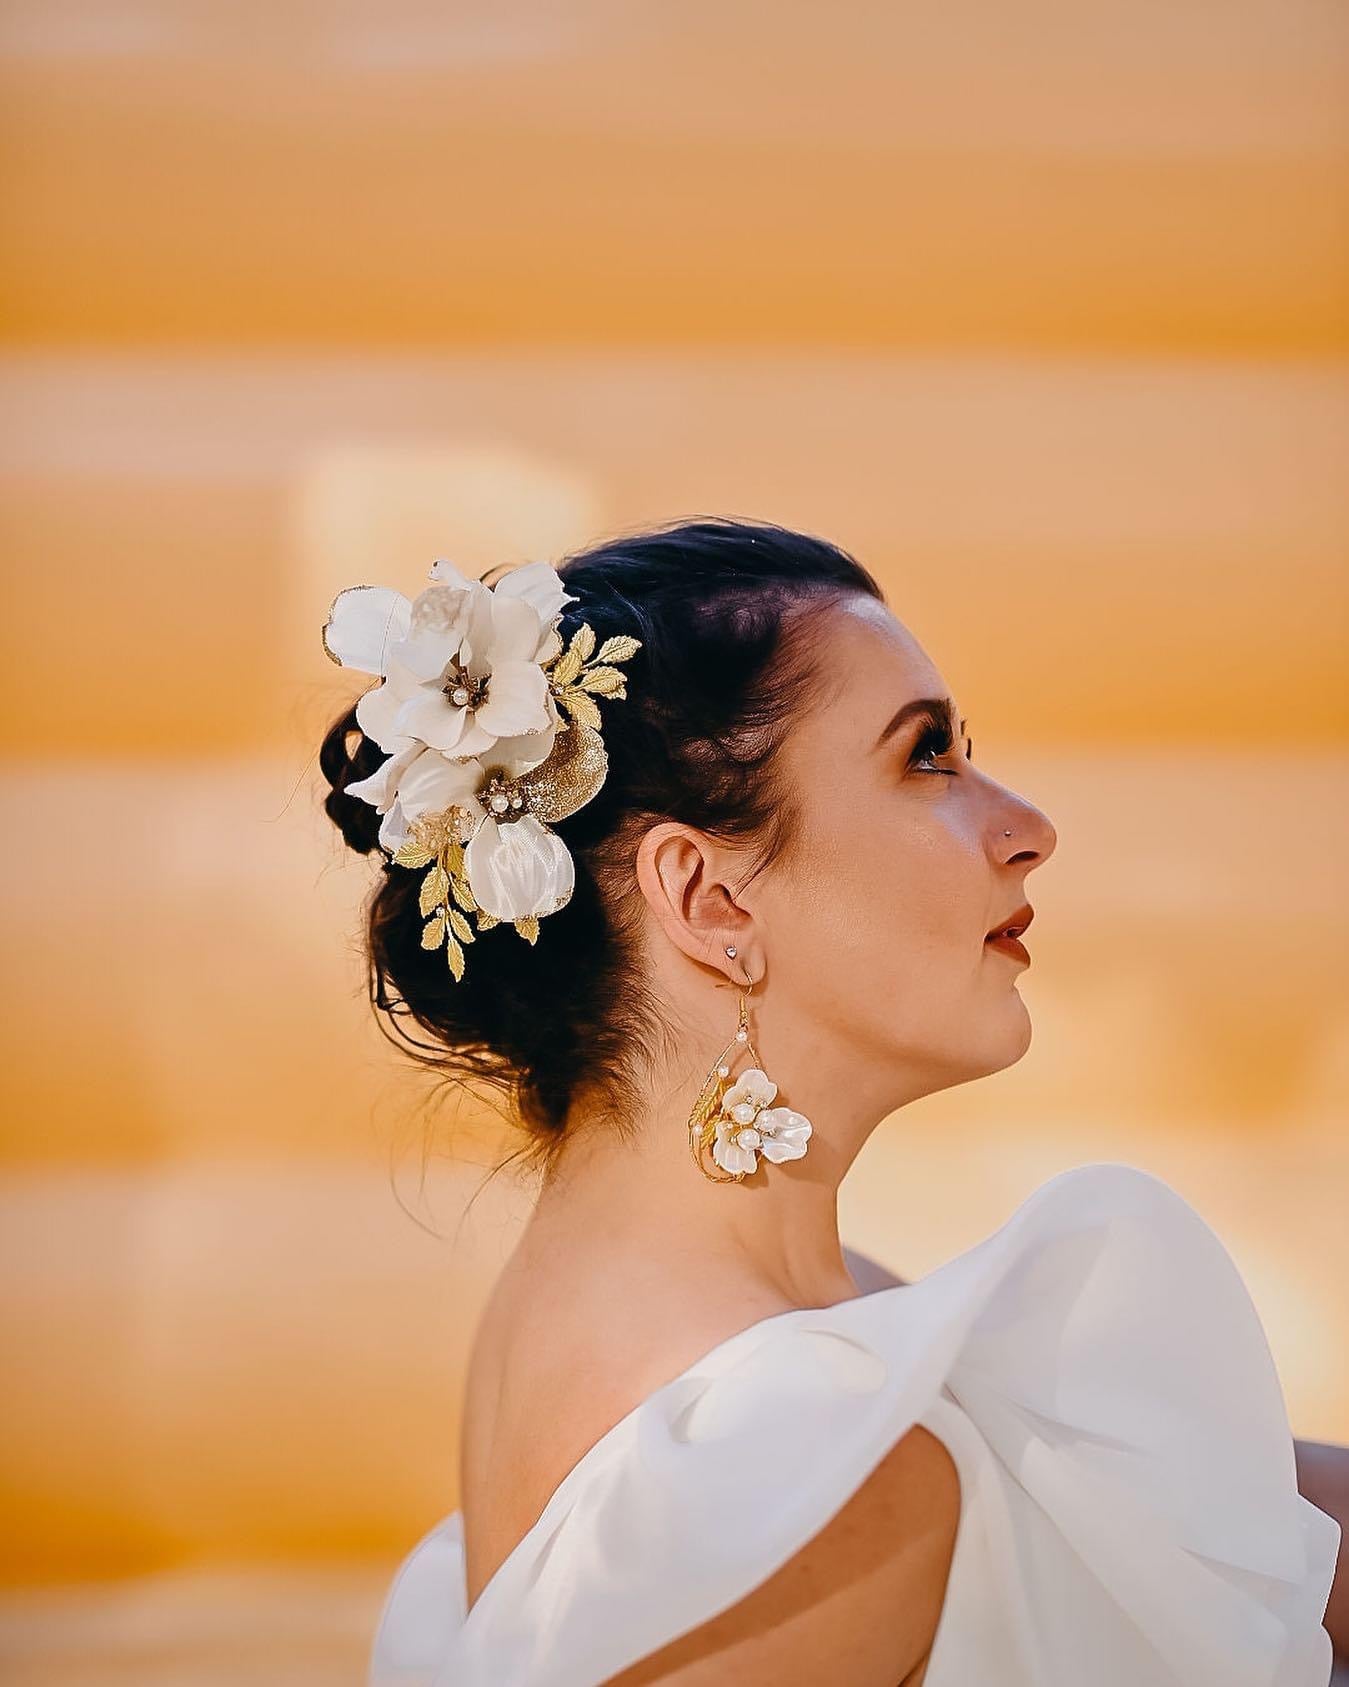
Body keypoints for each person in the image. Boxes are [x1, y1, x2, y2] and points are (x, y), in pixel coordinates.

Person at [318, 517, 1344, 1685]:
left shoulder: (810, 1336)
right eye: (927, 757)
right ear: (707, 900)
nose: (1027, 830)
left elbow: (1261, 1521)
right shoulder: (812, 1480)